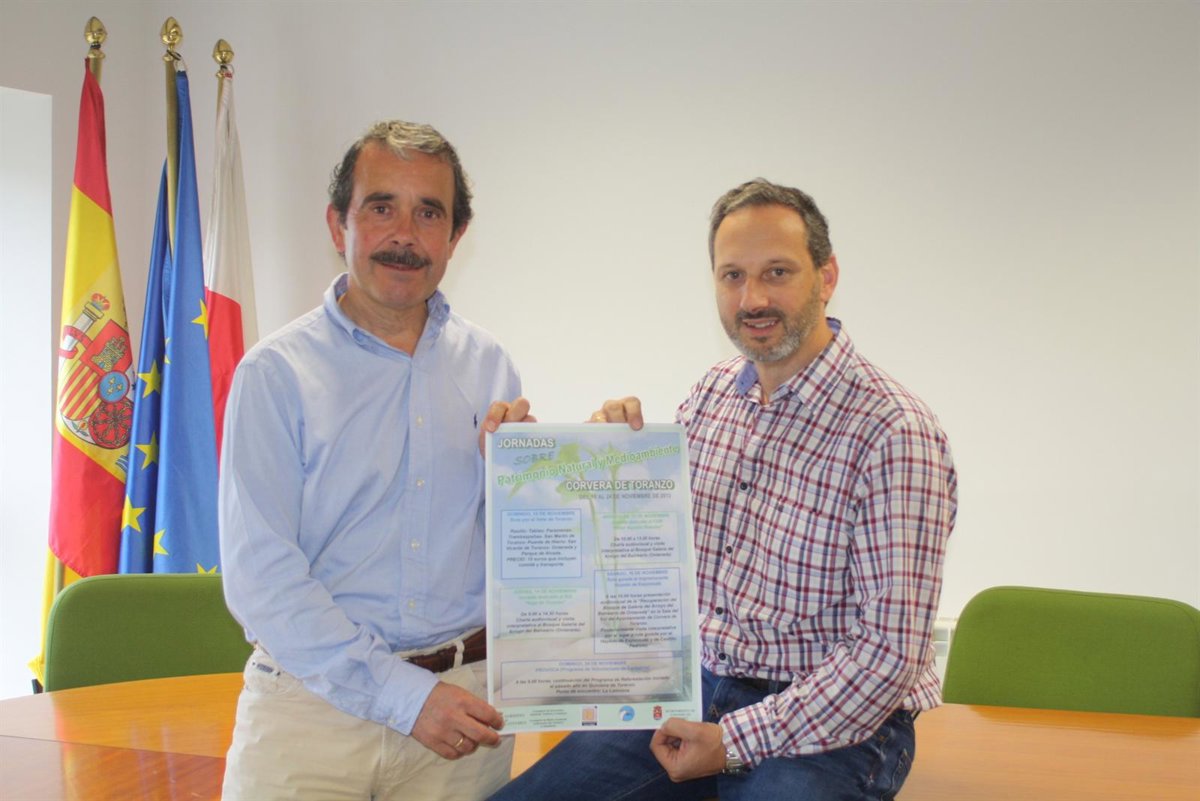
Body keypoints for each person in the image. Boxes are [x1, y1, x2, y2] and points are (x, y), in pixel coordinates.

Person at [490, 179, 957, 801]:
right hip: (697, 688)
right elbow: (652, 559)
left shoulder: (895, 432)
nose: (752, 298)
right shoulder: (712, 395)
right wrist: (591, 467)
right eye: (732, 275)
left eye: (777, 272)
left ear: (827, 276)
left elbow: (887, 657)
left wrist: (733, 741)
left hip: (836, 721)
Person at [219, 120, 534, 801]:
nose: (405, 235)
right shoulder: (274, 374)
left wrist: (571, 472)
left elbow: (524, 553)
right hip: (309, 712)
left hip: (462, 715)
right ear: (339, 224)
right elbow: (261, 576)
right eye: (381, 207)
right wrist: (405, 697)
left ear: (455, 236)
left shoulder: (490, 367)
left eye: (429, 213)